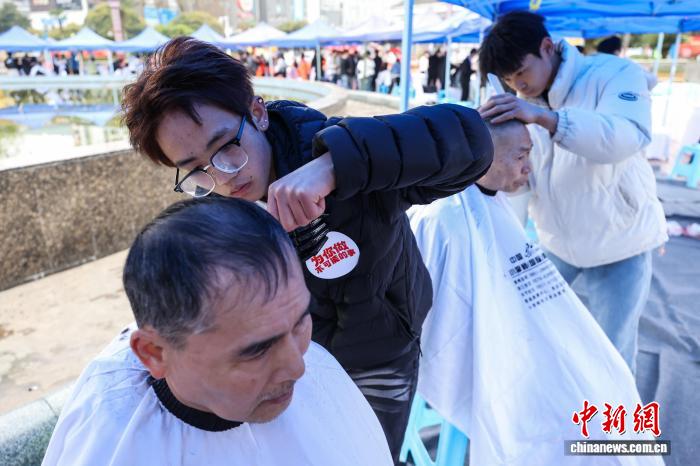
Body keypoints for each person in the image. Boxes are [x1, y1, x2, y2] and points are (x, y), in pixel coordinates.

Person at [121, 37, 493, 463]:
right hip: (292, 360)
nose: (223, 177)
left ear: (257, 113)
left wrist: (334, 166)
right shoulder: (218, 208)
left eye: (226, 147)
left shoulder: (341, 149)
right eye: (196, 169)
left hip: (380, 356)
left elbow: (471, 138)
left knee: (369, 454)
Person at [42, 198, 393, 466]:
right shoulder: (113, 442)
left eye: (301, 322)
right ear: (155, 353)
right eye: (256, 350)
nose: (299, 367)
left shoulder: (316, 372)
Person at [408, 120, 663, 466]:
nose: (529, 168)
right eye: (521, 156)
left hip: (523, 336)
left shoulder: (490, 205)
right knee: (569, 404)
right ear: (485, 155)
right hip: (502, 351)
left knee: (609, 377)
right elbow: (445, 320)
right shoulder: (444, 219)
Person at [478, 11, 667, 373]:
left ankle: (612, 412)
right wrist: (500, 166)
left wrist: (547, 119)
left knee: (612, 354)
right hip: (556, 242)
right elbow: (525, 176)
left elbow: (625, 136)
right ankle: (550, 400)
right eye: (509, 79)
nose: (518, 85)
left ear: (547, 47)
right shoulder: (520, 100)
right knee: (533, 332)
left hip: (621, 242)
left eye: (521, 72)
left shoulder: (614, 74)